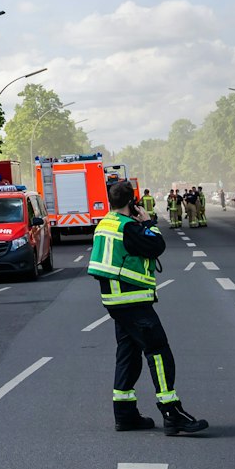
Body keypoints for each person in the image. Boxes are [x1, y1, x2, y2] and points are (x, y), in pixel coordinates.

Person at [88, 179, 209, 436]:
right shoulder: (129, 227)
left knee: (128, 355)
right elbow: (156, 246)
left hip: (115, 301)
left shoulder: (105, 223)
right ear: (131, 202)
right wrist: (148, 223)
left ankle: (125, 414)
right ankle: (171, 412)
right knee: (158, 351)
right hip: (132, 300)